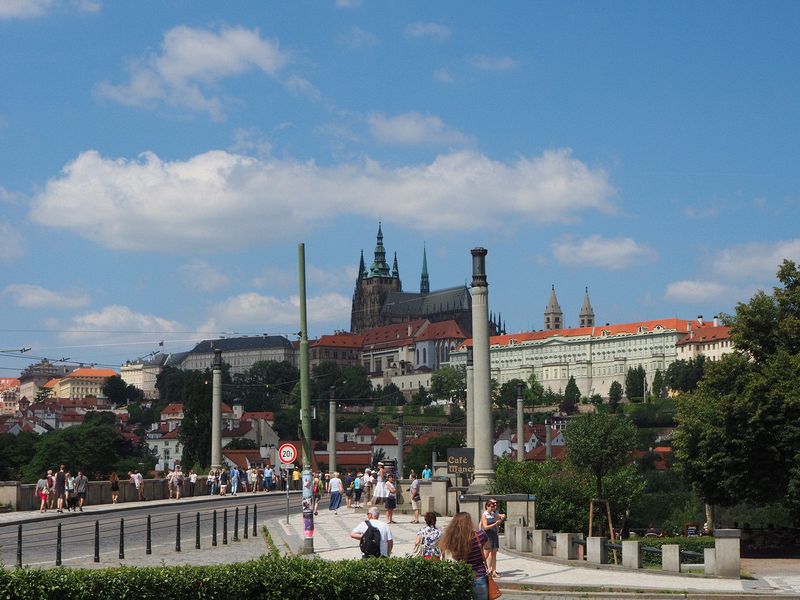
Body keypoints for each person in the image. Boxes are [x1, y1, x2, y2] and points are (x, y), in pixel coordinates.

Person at [440, 512, 490, 600]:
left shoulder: (453, 539)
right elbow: (488, 548)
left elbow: (451, 555)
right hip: (479, 575)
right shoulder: (480, 535)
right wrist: (482, 558)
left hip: (461, 576)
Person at [480, 499, 505, 577]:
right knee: (486, 554)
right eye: (491, 506)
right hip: (488, 536)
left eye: (494, 506)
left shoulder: (493, 514)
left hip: (494, 535)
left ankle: (493, 571)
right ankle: (481, 570)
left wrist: (502, 517)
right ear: (487, 506)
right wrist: (495, 524)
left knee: (494, 554)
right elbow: (485, 527)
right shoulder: (484, 515)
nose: (493, 508)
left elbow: (500, 517)